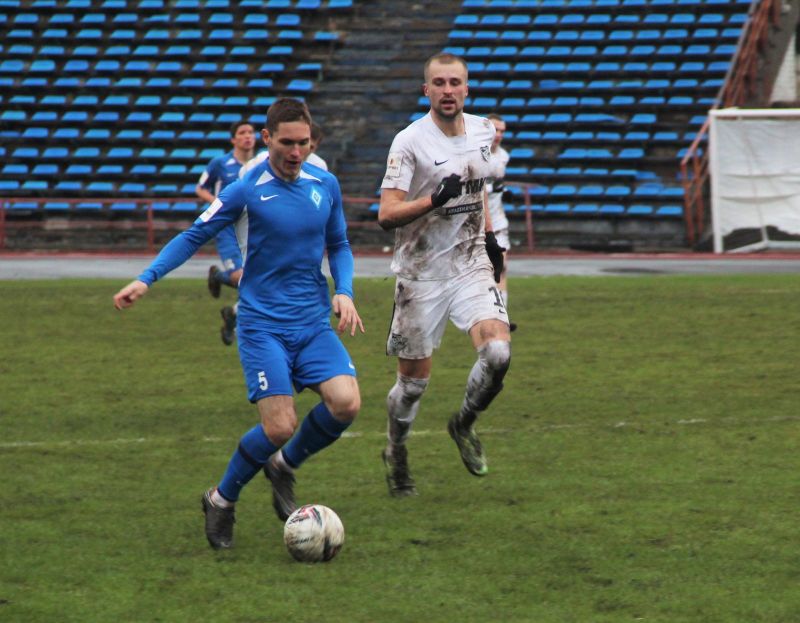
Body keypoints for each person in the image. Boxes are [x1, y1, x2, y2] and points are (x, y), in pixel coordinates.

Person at [114, 98, 364, 550]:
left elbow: (340, 243)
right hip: (262, 325)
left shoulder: (325, 183)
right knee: (279, 426)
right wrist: (146, 279)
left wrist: (343, 290)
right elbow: (194, 234)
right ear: (267, 139)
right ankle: (221, 499)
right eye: (286, 143)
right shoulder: (245, 189)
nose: (296, 152)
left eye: (303, 143)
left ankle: (283, 466)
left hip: (312, 322)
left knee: (346, 403)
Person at [377, 52, 511, 497]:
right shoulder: (409, 142)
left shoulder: (483, 131)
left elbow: (479, 186)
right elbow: (386, 214)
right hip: (421, 275)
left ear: (466, 89)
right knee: (413, 385)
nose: (448, 90)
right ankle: (396, 450)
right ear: (427, 90)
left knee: (497, 353)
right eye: (439, 83)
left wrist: (489, 239)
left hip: (470, 264)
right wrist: (433, 201)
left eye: (455, 82)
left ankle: (463, 423)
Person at [195, 120, 256, 346]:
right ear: (233, 139)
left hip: (251, 227)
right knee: (242, 278)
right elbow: (200, 188)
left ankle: (232, 316)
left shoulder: (261, 163)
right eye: (242, 132)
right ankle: (221, 278)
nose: (248, 136)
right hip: (226, 227)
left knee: (255, 279)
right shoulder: (220, 163)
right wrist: (218, 203)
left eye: (250, 132)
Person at [486, 113, 516, 332]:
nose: (499, 135)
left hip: (498, 222)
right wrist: (492, 188)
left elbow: (497, 184)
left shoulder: (504, 156)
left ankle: (501, 317)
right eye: (495, 130)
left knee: (502, 267)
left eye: (502, 131)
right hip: (477, 224)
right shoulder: (475, 154)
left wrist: (503, 191)